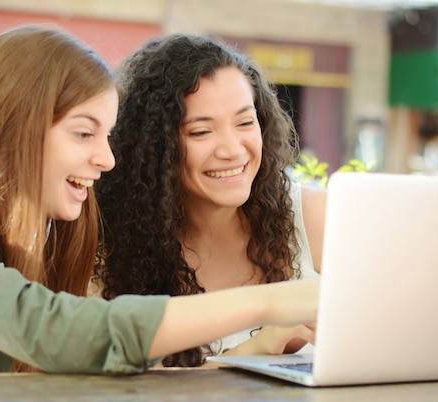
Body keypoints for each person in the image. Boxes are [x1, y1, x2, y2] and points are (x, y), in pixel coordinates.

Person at [0, 25, 319, 376]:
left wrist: (259, 344)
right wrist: (270, 302)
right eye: (84, 134)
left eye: (108, 136)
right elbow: (55, 334)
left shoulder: (46, 227)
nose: (108, 159)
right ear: (14, 128)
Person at [93, 33, 327, 367]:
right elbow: (122, 386)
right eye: (201, 132)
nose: (233, 150)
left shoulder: (314, 218)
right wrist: (262, 345)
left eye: (246, 122)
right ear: (152, 147)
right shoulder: (108, 246)